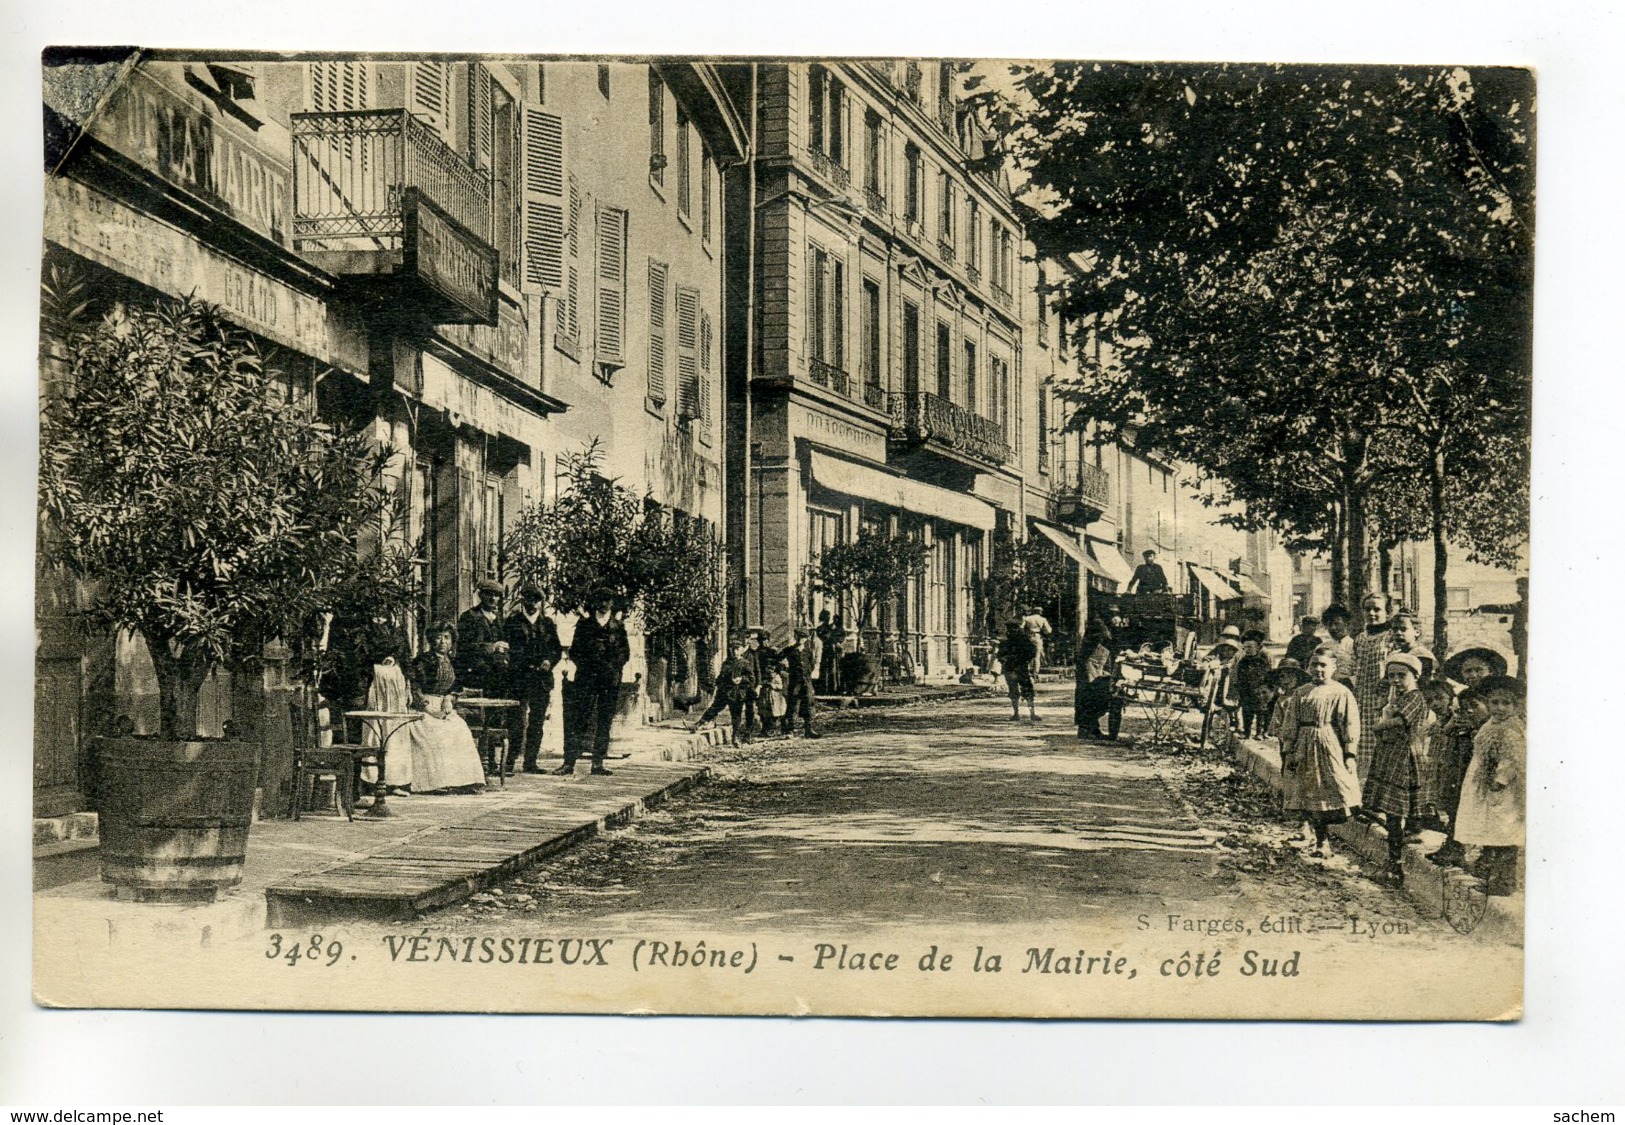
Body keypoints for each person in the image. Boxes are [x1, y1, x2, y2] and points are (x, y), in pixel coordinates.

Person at [1280, 647, 1363, 858]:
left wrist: (1349, 753)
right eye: (1314, 664)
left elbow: (1349, 724)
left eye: (1323, 665)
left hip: (1329, 746)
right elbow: (1291, 723)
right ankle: (1319, 840)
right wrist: (1289, 750)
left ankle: (1328, 836)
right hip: (1304, 748)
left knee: (1334, 789)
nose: (1318, 669)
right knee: (1310, 793)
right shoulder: (1301, 692)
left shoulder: (1341, 692)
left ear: (1334, 668)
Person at [1363, 652, 1434, 886]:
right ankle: (1393, 862)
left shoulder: (1415, 698)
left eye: (1401, 675)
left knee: (1397, 812)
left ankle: (1396, 866)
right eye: (1391, 675)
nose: (1395, 680)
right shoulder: (1398, 698)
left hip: (1404, 758)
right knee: (1391, 813)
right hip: (1390, 757)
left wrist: (1379, 726)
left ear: (1414, 675)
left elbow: (1399, 721)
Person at [1453, 675, 1526, 896]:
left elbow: (1514, 759)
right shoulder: (1491, 725)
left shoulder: (1512, 729)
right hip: (1485, 783)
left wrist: (1500, 780)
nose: (1500, 708)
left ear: (1515, 706)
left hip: (1503, 789)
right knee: (1492, 831)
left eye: (1506, 703)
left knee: (1505, 832)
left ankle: (1503, 882)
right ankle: (1489, 874)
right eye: (1495, 703)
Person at [395, 622, 487, 794]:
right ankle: (433, 783)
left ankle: (464, 781)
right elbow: (414, 686)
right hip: (424, 709)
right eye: (438, 637)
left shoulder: (452, 661)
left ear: (452, 641)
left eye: (447, 638)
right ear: (431, 640)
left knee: (460, 730)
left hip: (445, 707)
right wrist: (428, 709)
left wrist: (449, 697)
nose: (442, 642)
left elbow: (457, 686)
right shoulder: (422, 661)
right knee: (434, 734)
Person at [556, 589, 630, 777]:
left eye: (607, 600)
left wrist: (612, 667)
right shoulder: (585, 625)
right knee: (579, 720)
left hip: (609, 681)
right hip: (586, 679)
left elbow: (625, 653)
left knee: (604, 721)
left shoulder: (618, 627)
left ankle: (598, 763)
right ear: (595, 602)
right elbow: (574, 651)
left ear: (612, 603)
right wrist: (589, 665)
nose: (604, 604)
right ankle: (569, 763)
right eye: (600, 600)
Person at [506, 584, 562, 774]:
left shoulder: (547, 624)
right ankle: (510, 761)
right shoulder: (512, 622)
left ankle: (530, 762)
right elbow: (507, 648)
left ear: (541, 602)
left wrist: (549, 661)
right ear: (523, 600)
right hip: (519, 677)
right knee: (516, 721)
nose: (532, 603)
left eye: (536, 600)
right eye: (528, 599)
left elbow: (556, 650)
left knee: (537, 721)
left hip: (541, 679)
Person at [1264, 658, 1312, 843]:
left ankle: (1305, 818)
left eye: (1290, 676)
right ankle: (1291, 807)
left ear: (1298, 678)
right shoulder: (1281, 701)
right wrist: (1284, 738)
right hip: (1287, 744)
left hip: (1304, 743)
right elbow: (1276, 725)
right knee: (1288, 773)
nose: (1286, 680)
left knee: (1305, 776)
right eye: (1282, 677)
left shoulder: (1305, 698)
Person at [1350, 592, 1393, 782]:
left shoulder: (1390, 637)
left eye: (1377, 609)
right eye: (1368, 609)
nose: (1372, 613)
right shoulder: (1359, 638)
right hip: (1361, 701)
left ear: (1387, 612)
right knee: (1360, 745)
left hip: (1383, 701)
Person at [691, 636, 758, 742]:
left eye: (737, 649)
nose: (734, 651)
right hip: (724, 691)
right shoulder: (727, 662)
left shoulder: (745, 663)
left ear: (740, 650)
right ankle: (697, 725)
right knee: (714, 709)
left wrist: (741, 679)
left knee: (736, 715)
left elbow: (751, 678)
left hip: (737, 693)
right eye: (733, 649)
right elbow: (721, 676)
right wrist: (716, 683)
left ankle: (735, 737)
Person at [455, 580, 510, 695]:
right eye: (489, 594)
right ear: (481, 595)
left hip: (499, 672)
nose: (493, 599)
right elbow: (463, 646)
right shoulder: (469, 617)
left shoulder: (499, 619)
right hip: (477, 672)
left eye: (496, 596)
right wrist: (492, 647)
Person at [1074, 626, 1120, 741]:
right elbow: (1089, 665)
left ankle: (1092, 728)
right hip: (1089, 679)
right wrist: (1098, 677)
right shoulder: (1092, 647)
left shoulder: (1096, 646)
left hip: (1091, 678)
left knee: (1088, 701)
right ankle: (1086, 729)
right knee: (1091, 700)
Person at [779, 628, 822, 738]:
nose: (801, 640)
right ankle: (790, 730)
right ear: (795, 637)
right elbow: (777, 660)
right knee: (793, 705)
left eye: (803, 638)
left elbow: (811, 664)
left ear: (806, 639)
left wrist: (809, 675)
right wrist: (783, 671)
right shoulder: (789, 650)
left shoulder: (808, 651)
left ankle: (808, 729)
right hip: (794, 682)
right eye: (799, 637)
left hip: (806, 681)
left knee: (808, 704)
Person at [1234, 630, 1276, 739]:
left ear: (1257, 648)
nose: (1247, 650)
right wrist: (1239, 688)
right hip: (1246, 691)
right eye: (1245, 647)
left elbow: (1269, 674)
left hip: (1260, 691)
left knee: (1261, 712)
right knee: (1246, 712)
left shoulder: (1262, 661)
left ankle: (1260, 732)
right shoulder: (1242, 662)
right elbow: (1239, 675)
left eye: (1250, 647)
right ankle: (1247, 732)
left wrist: (1267, 688)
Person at [998, 622, 1038, 721]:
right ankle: (1029, 714)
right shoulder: (1024, 640)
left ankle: (1018, 714)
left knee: (1016, 690)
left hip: (1013, 668)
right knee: (1025, 690)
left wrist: (1005, 659)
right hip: (1019, 668)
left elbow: (1000, 655)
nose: (1011, 631)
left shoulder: (1007, 641)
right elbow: (1032, 652)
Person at [1386, 610, 1437, 680]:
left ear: (1417, 632)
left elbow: (1424, 683)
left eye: (1403, 629)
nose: (1398, 633)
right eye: (1395, 629)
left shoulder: (1422, 655)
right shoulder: (1394, 655)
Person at [1320, 604, 1356, 684]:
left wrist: (1350, 680)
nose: (1333, 628)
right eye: (1329, 624)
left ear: (1346, 624)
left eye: (1337, 624)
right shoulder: (1322, 647)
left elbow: (1362, 672)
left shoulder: (1355, 646)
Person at [1020, 604, 1054, 675]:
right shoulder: (1043, 619)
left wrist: (1025, 633)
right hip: (1037, 637)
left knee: (1027, 655)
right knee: (1037, 656)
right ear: (1040, 612)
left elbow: (1021, 628)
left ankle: (1027, 671)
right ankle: (1035, 673)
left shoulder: (1027, 618)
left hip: (1028, 637)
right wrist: (1043, 631)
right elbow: (1049, 630)